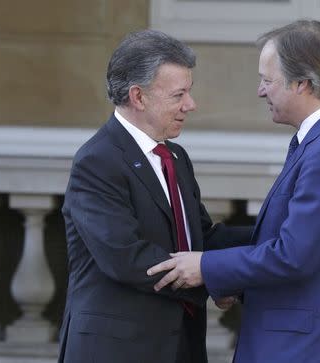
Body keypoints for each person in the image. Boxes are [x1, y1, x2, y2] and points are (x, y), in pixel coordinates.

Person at [148, 20, 320, 363]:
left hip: (310, 348)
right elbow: (302, 244)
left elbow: (294, 254)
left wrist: (207, 267)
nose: (260, 91)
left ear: (302, 82)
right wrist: (235, 279)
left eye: (267, 80)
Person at [59, 29, 252, 363]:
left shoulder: (175, 157)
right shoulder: (98, 161)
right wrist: (216, 277)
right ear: (138, 97)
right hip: (117, 351)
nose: (191, 105)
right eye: (179, 95)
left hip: (181, 346)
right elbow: (129, 259)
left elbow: (199, 239)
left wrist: (277, 234)